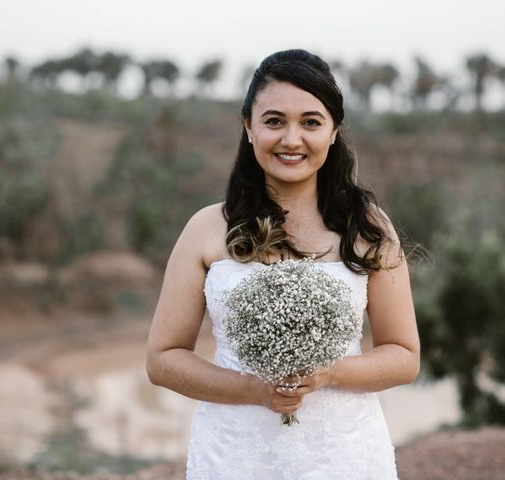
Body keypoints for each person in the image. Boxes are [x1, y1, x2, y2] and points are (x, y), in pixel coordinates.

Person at [146, 49, 420, 479]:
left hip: (344, 456)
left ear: (333, 132)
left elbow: (404, 356)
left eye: (311, 122)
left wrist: (327, 374)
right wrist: (256, 391)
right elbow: (163, 359)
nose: (291, 139)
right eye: (274, 121)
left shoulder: (366, 228)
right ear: (249, 128)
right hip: (235, 456)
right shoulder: (206, 228)